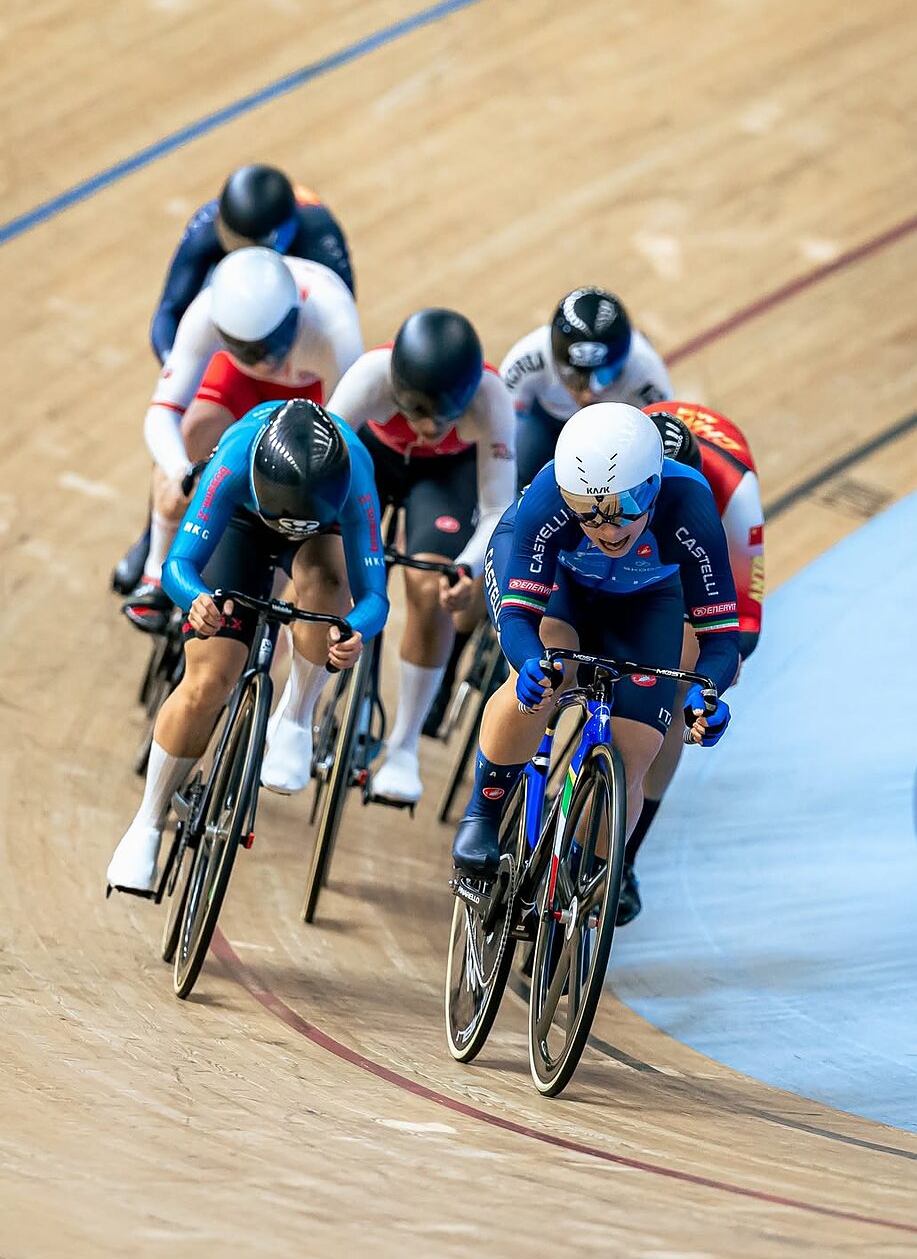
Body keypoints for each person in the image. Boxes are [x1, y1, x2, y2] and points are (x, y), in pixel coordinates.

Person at [107, 399, 388, 892]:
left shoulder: (356, 472)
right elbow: (179, 565)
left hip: (322, 534)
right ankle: (147, 821)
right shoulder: (236, 456)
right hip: (242, 522)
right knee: (208, 681)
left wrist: (353, 630)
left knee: (325, 585)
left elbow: (374, 596)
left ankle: (297, 715)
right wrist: (196, 601)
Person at [451, 402, 738, 880]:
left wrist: (707, 692)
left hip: (645, 600)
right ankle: (483, 811)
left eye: (623, 509)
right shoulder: (548, 498)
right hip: (561, 585)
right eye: (586, 511)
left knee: (635, 754)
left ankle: (581, 879)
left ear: (654, 486)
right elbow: (521, 619)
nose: (606, 528)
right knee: (547, 674)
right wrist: (527, 664)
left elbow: (722, 639)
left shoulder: (690, 505)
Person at [263, 308, 517, 804]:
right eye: (415, 411)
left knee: (432, 588)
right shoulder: (368, 377)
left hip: (443, 479)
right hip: (367, 459)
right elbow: (318, 465)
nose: (424, 427)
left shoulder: (493, 402)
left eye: (438, 419)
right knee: (326, 570)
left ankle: (403, 748)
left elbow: (496, 508)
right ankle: (295, 715)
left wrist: (464, 566)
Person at [112, 165, 355, 596]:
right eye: (231, 242)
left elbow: (343, 390)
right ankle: (156, 545)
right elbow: (169, 313)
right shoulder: (209, 241)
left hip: (301, 367)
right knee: (187, 437)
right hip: (231, 346)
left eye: (250, 245)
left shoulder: (320, 249)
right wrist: (184, 370)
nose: (237, 249)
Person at [124, 248, 364, 629]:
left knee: (299, 497)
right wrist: (182, 471)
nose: (263, 359)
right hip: (241, 386)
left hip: (308, 399)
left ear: (294, 317)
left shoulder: (335, 327)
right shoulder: (207, 312)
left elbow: (343, 434)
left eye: (271, 344)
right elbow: (162, 413)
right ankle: (155, 575)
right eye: (248, 349)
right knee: (186, 446)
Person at [613, 402, 764, 923]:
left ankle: (625, 859)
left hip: (691, 551)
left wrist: (721, 668)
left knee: (679, 680)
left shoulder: (732, 495)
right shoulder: (618, 453)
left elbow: (743, 609)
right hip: (618, 508)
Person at [150, 163, 354, 364]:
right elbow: (169, 311)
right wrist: (176, 366)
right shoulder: (207, 228)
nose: (224, 236)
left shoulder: (317, 231)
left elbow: (341, 313)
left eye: (240, 244)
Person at [500, 286, 674, 489]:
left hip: (612, 433)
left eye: (603, 376)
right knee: (520, 466)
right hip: (545, 422)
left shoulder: (646, 371)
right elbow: (499, 426)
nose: (588, 393)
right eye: (575, 378)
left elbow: (661, 447)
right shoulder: (528, 358)